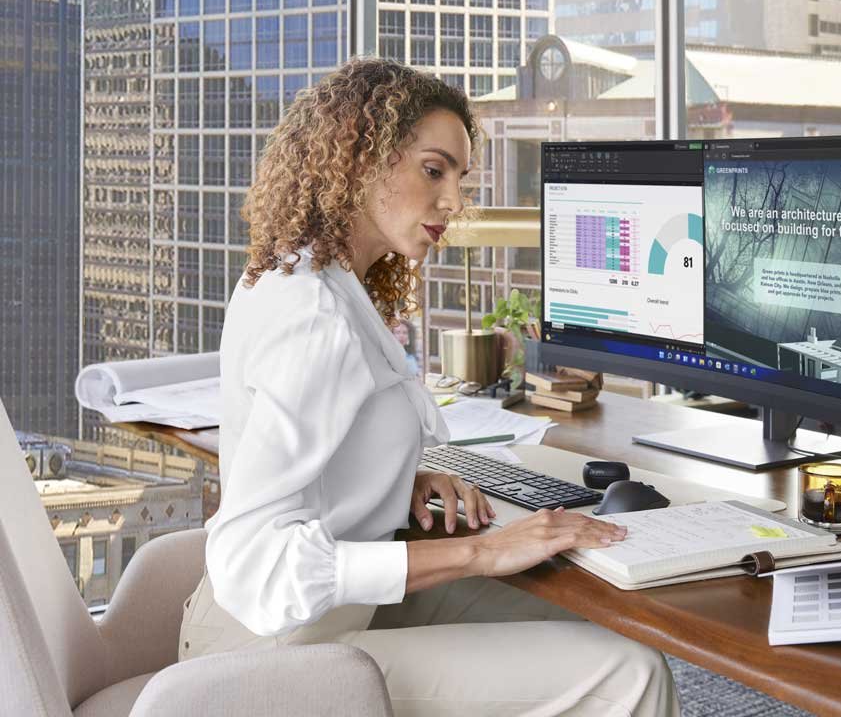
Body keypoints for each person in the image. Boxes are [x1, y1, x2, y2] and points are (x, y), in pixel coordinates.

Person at [180, 57, 679, 716]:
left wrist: (391, 480)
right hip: (270, 665)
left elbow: (314, 462)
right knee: (630, 673)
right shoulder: (315, 319)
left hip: (320, 617)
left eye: (461, 178)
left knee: (590, 632)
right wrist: (480, 551)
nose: (453, 202)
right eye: (433, 169)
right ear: (361, 155)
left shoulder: (312, 275)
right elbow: (255, 562)